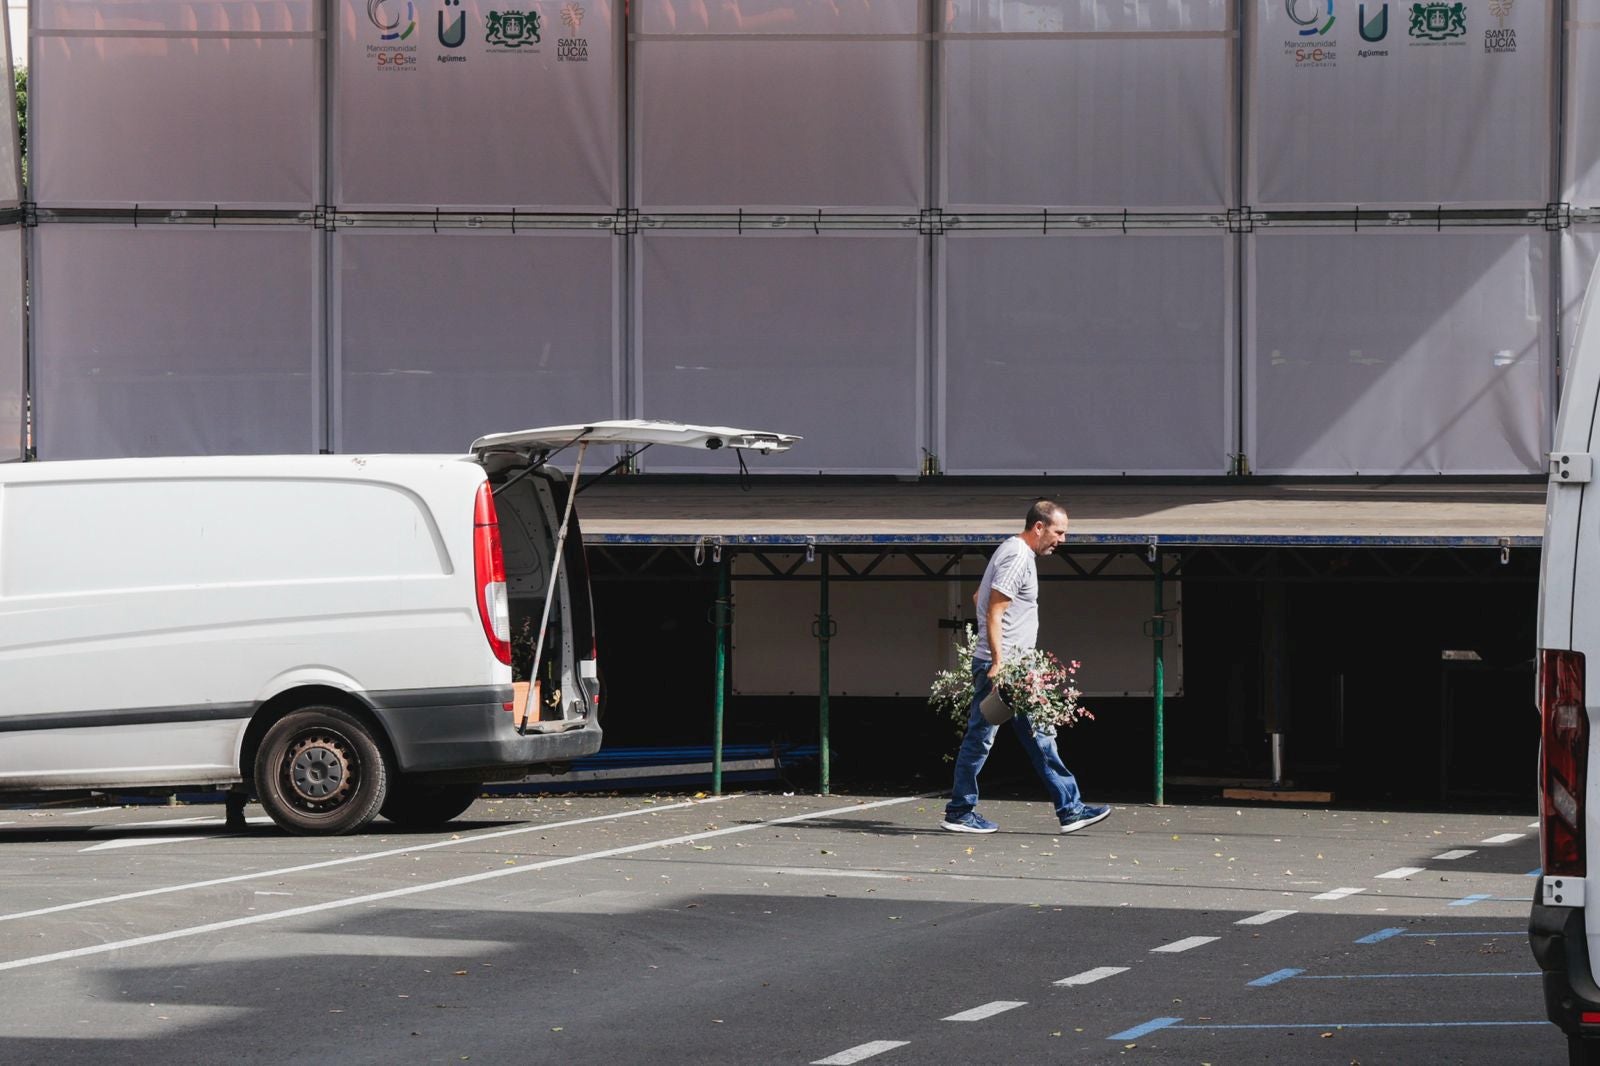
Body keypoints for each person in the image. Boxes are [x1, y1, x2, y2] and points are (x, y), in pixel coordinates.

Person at [942, 499, 1111, 835]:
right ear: (1039, 527)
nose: (1062, 539)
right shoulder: (1019, 556)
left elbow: (980, 598)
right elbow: (992, 610)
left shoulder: (1009, 550)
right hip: (1007, 669)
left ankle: (1070, 808)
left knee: (1037, 735)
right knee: (984, 738)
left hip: (1011, 666)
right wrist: (1000, 663)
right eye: (1058, 532)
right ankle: (961, 811)